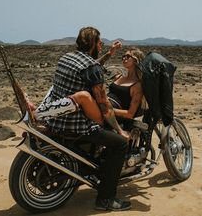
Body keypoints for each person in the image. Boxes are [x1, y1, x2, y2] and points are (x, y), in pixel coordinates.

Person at [36, 27, 131, 211]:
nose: (102, 44)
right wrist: (120, 130)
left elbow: (90, 66)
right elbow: (104, 104)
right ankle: (106, 199)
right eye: (100, 41)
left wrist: (110, 54)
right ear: (92, 43)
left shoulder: (67, 57)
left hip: (57, 118)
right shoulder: (91, 68)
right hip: (77, 124)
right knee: (119, 143)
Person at [107, 47, 145, 119]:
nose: (124, 58)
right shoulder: (118, 77)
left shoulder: (137, 86)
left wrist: (108, 110)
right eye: (123, 56)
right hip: (106, 106)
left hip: (114, 116)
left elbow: (130, 114)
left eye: (128, 56)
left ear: (136, 60)